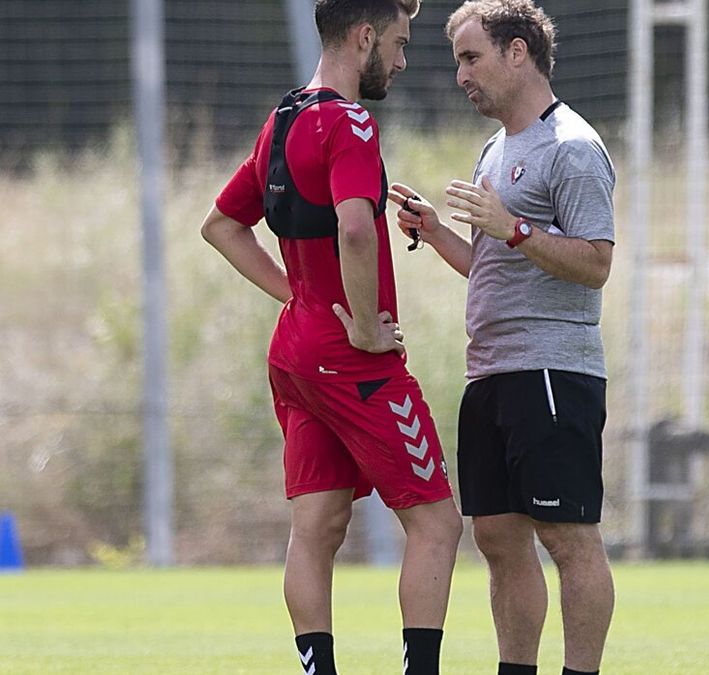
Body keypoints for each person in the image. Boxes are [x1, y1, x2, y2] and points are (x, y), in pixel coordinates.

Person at [199, 1, 462, 673]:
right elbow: (351, 227)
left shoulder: (283, 118)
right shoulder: (349, 122)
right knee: (436, 522)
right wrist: (370, 328)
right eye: (399, 44)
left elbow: (222, 226)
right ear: (364, 36)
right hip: (353, 358)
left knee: (316, 529)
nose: (403, 61)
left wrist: (299, 296)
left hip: (295, 349)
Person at [388, 2, 616, 673]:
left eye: (470, 58)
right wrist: (436, 233)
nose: (461, 75)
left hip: (551, 372)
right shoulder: (495, 150)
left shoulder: (572, 146)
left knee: (569, 538)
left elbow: (596, 263)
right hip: (490, 374)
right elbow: (492, 267)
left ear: (517, 53)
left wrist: (512, 227)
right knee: (495, 535)